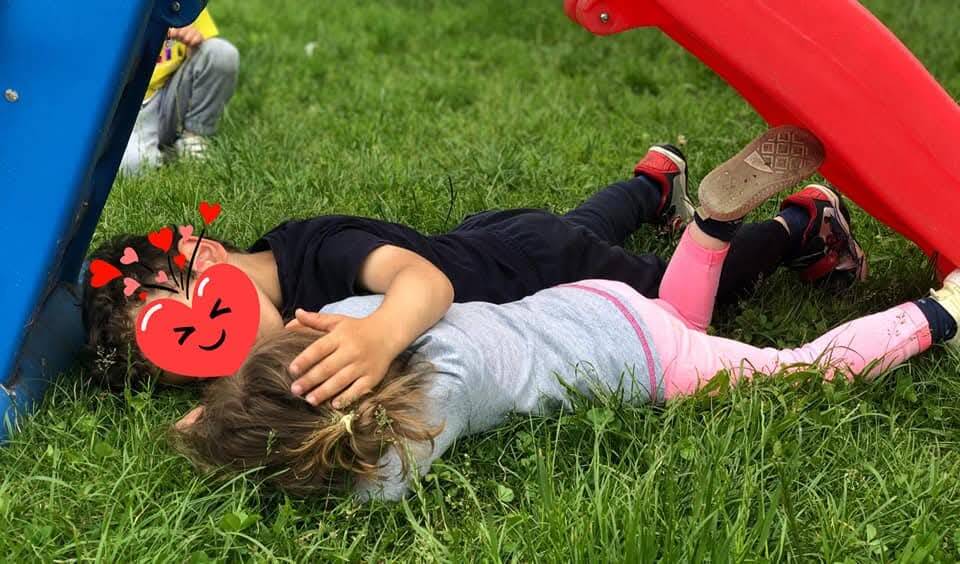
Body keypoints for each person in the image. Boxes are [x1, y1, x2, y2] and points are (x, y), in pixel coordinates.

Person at [170, 163, 954, 502]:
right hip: (580, 298)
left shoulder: (416, 427)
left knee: (795, 370)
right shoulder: (353, 323)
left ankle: (941, 312)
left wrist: (233, 445)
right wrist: (227, 408)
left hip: (637, 358)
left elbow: (359, 475)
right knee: (684, 316)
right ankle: (708, 227)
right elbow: (302, 360)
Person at [85, 127, 865, 408]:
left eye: (207, 337)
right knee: (581, 224)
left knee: (679, 287)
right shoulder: (271, 302)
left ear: (212, 263)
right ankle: (651, 183)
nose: (225, 368)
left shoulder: (315, 250)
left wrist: (381, 335)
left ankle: (800, 225)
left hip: (538, 278)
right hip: (508, 241)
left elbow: (428, 286)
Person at [119, 8, 239, 174]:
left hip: (168, 95)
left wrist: (192, 42)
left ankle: (193, 136)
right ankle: (163, 152)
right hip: (123, 108)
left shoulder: (181, 5)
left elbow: (204, 57)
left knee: (221, 54)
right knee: (132, 165)